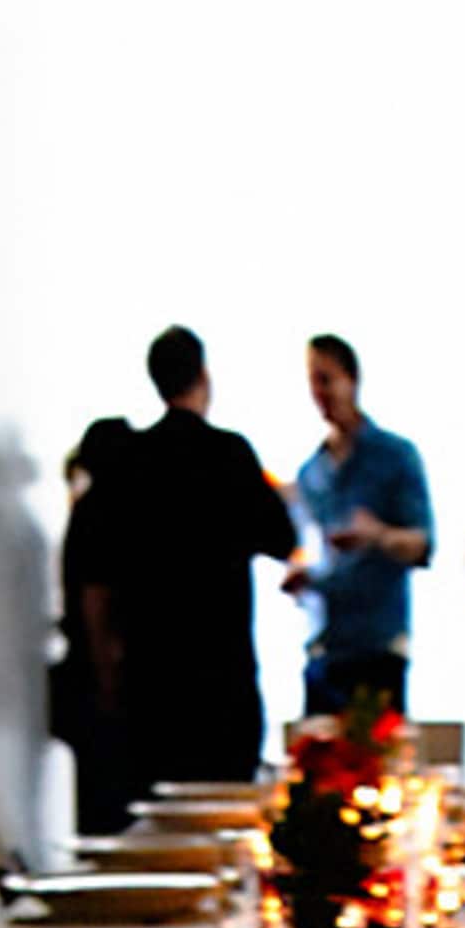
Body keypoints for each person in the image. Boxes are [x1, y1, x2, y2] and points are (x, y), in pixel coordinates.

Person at [88, 325, 298, 796]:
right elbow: (282, 539)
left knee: (156, 812)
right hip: (223, 674)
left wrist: (107, 676)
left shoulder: (128, 462)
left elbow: (98, 581)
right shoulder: (230, 454)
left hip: (150, 676)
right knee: (226, 804)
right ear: (204, 376)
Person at [286, 332, 433, 719]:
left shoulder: (395, 457)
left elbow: (421, 544)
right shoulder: (310, 472)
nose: (319, 393)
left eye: (326, 379)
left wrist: (377, 535)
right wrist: (301, 577)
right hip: (322, 648)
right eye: (312, 382)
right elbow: (308, 549)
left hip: (377, 647)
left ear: (351, 380)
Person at [50, 414, 145, 840]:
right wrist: (108, 678)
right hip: (99, 678)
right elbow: (96, 602)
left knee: (98, 801)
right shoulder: (104, 514)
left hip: (83, 675)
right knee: (111, 803)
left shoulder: (86, 511)